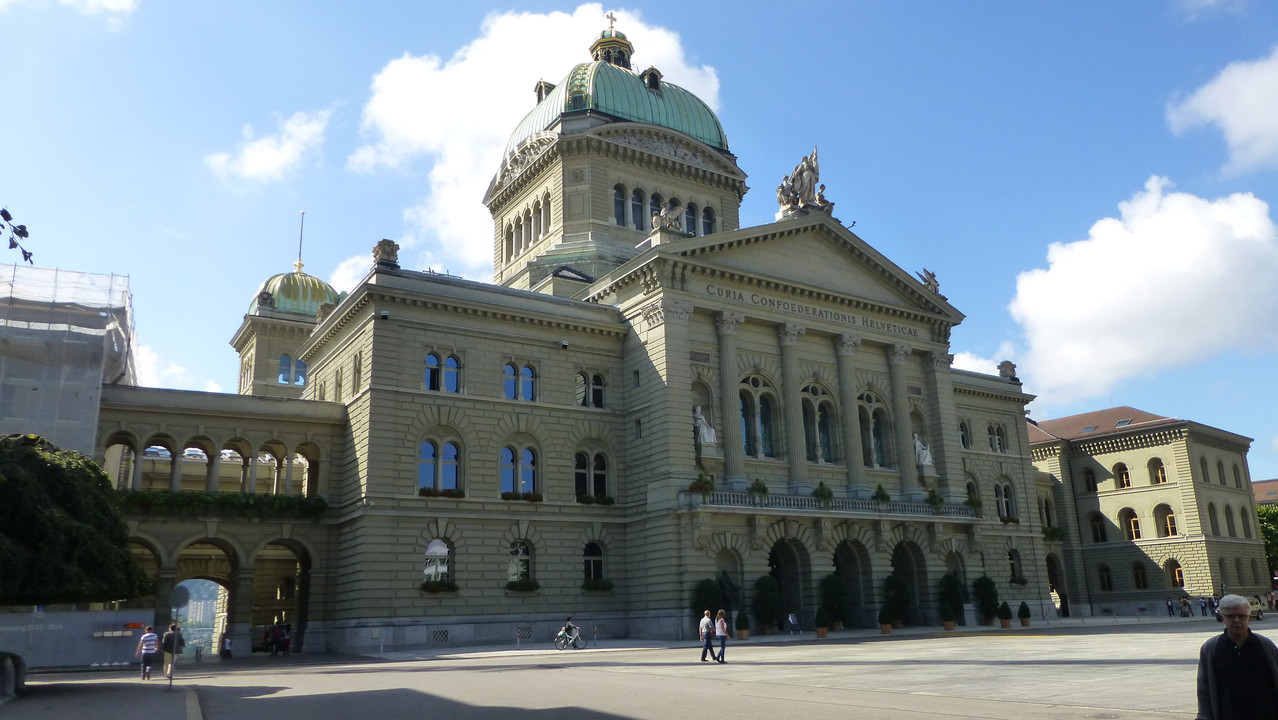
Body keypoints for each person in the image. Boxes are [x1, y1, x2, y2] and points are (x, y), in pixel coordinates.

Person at [1196, 594, 1278, 719]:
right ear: (1223, 618)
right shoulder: (1211, 649)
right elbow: (1204, 690)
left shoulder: (1265, 645)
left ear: (1249, 618)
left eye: (1241, 616)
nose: (1236, 621)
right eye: (1230, 616)